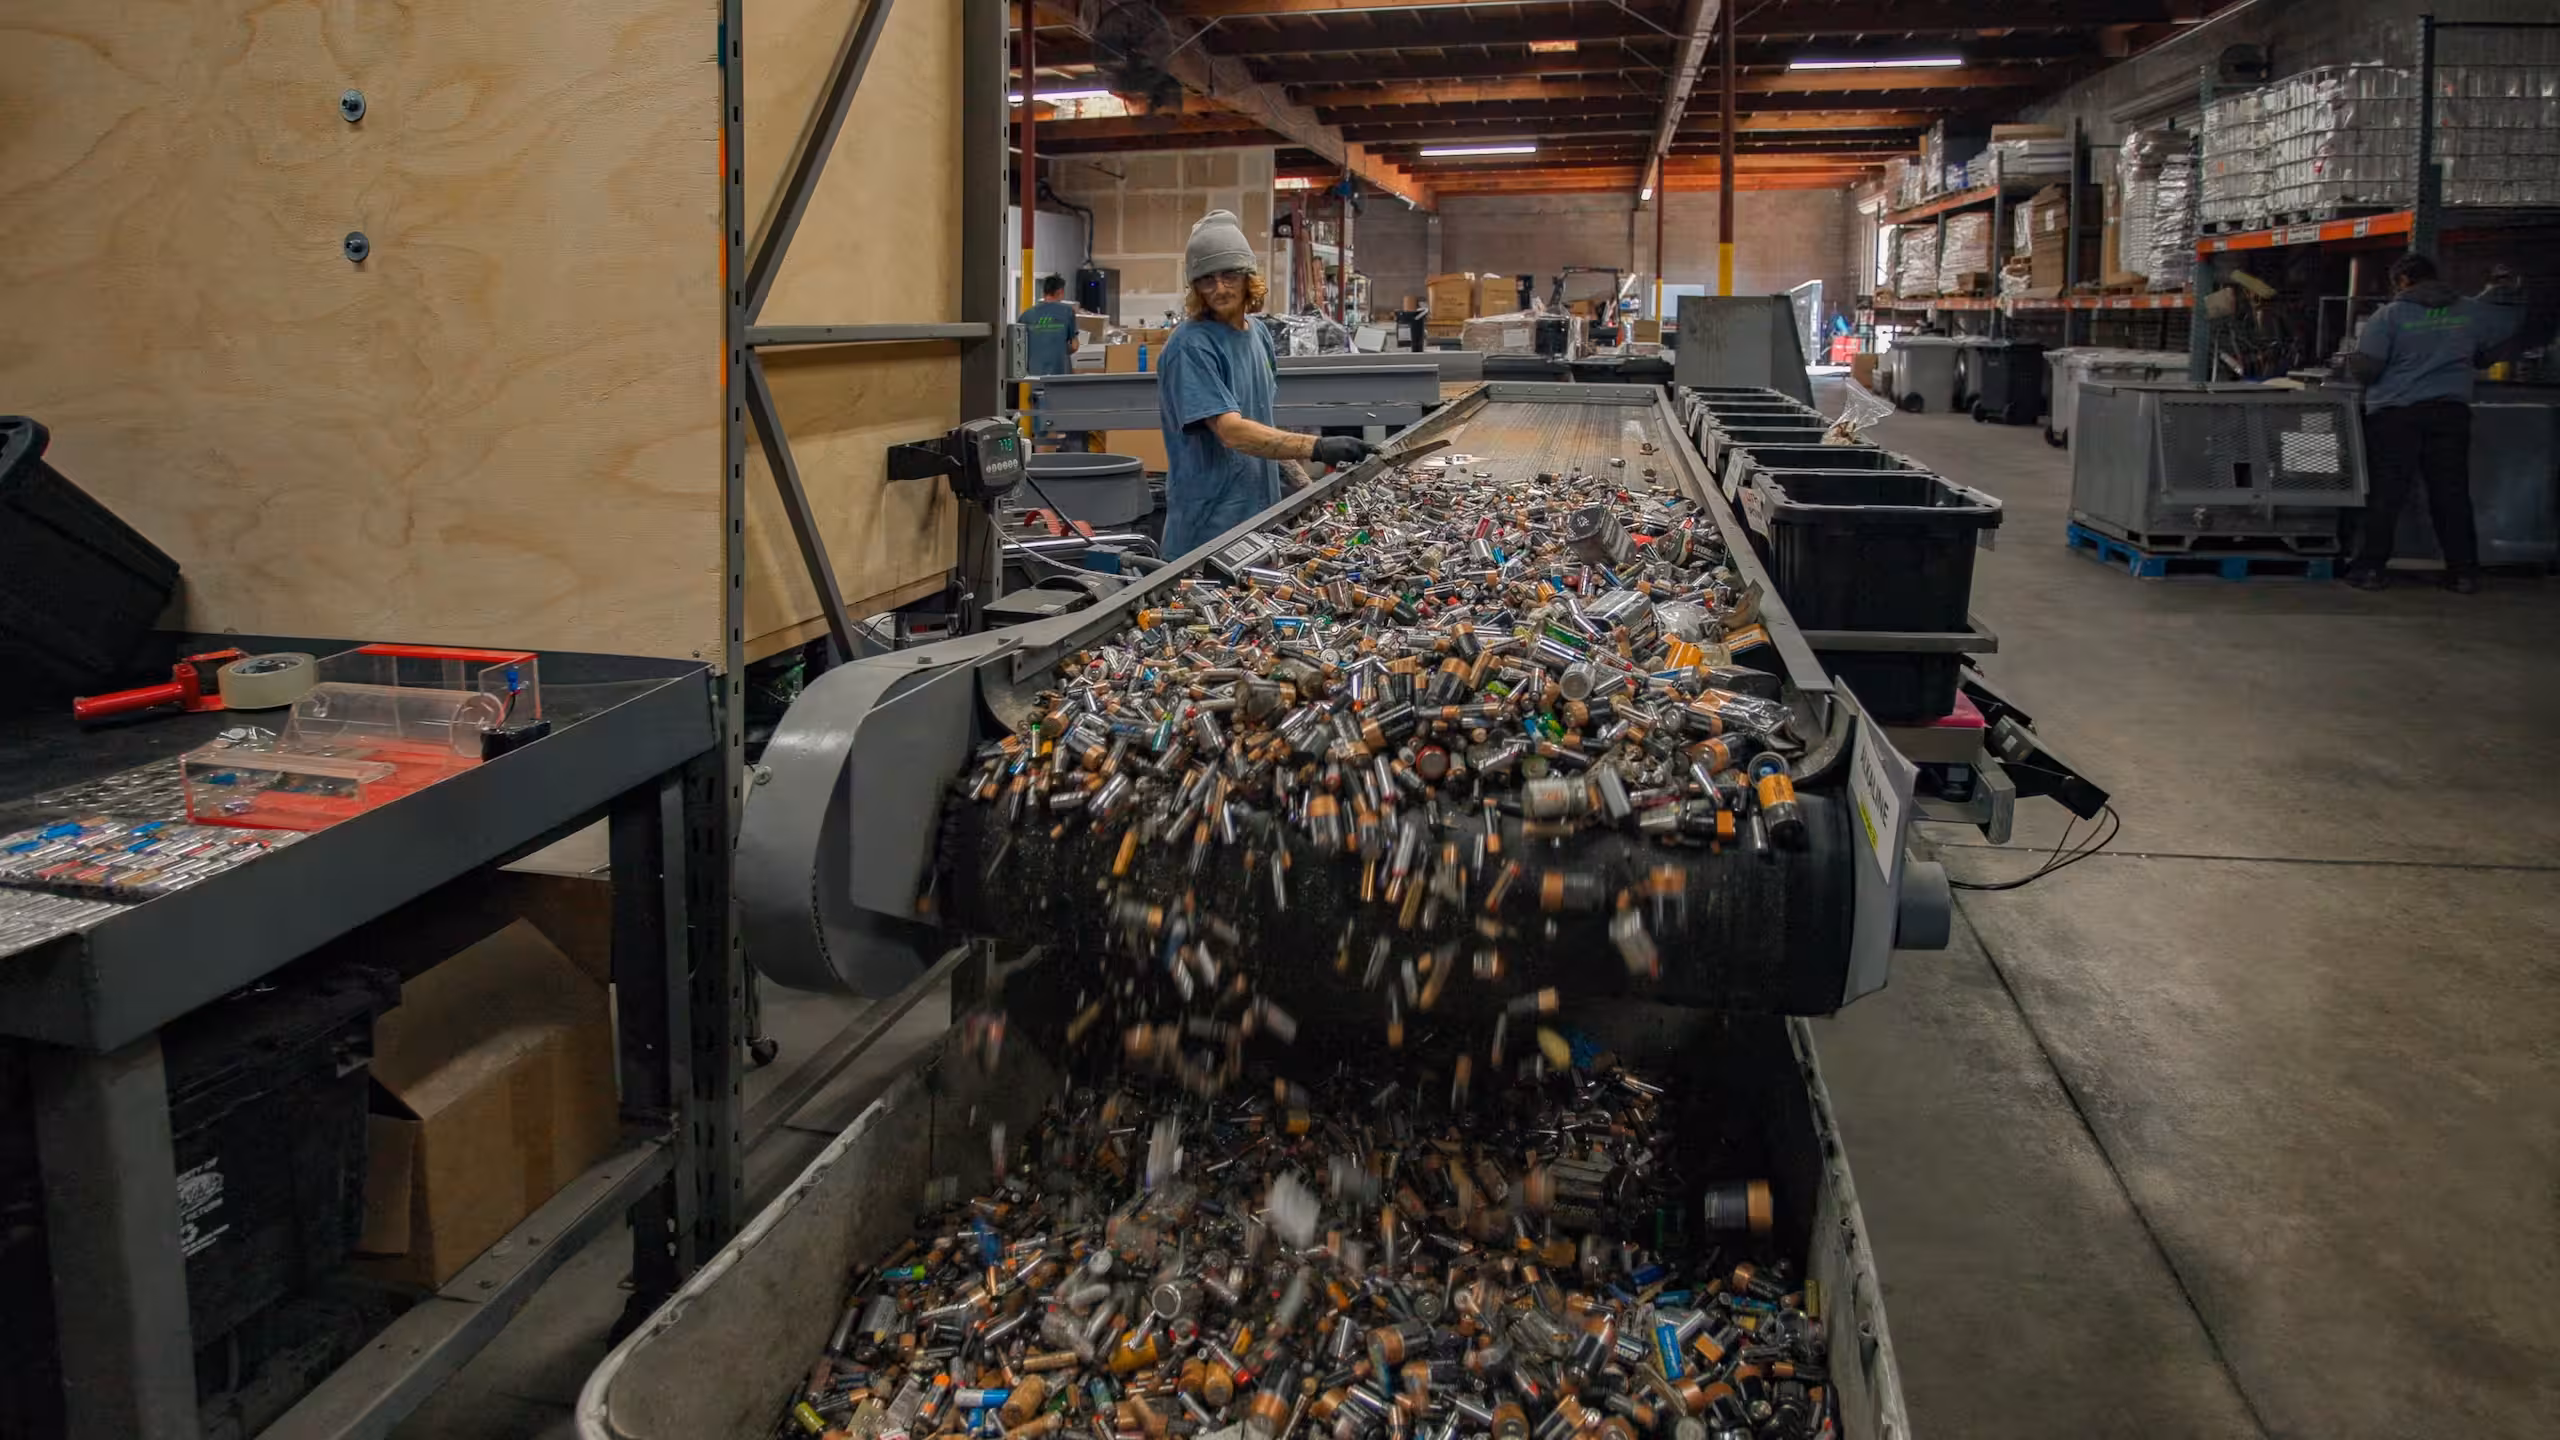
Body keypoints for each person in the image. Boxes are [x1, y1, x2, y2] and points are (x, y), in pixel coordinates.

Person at [1157, 211, 1378, 556]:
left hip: (1259, 521)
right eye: (1206, 279)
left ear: (1248, 278)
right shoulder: (1190, 346)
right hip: (1208, 535)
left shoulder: (1258, 334)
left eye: (1229, 274)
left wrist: (1307, 489)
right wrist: (1316, 447)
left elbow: (1262, 427)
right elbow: (1232, 431)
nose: (1219, 288)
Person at [2340, 254, 2524, 592]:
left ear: (2403, 281)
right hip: (2449, 413)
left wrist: (2354, 363)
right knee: (2450, 494)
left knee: (2387, 494)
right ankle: (2464, 573)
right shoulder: (2469, 310)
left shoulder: (2389, 316)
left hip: (2397, 415)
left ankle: (2370, 569)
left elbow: (2369, 369)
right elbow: (2487, 353)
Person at [1021, 273, 1081, 378]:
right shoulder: (1067, 312)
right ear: (1060, 292)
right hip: (1060, 374)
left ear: (1044, 292)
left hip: (1033, 375)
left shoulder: (1026, 315)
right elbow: (1074, 346)